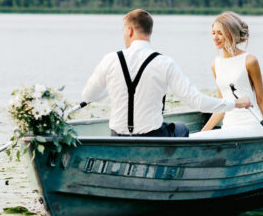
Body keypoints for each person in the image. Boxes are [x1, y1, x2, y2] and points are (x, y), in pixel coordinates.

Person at [82, 9, 251, 137]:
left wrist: (109, 89)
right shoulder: (164, 63)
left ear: (130, 31)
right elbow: (196, 101)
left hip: (117, 136)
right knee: (182, 129)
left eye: (123, 31)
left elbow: (88, 95)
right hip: (152, 136)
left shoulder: (110, 59)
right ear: (150, 31)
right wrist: (236, 104)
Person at [193, 11, 263, 138]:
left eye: (220, 33)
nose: (215, 37)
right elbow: (221, 105)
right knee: (194, 136)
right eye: (213, 33)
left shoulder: (250, 61)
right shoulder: (215, 64)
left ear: (231, 34)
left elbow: (261, 100)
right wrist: (202, 133)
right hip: (228, 127)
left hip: (250, 126)